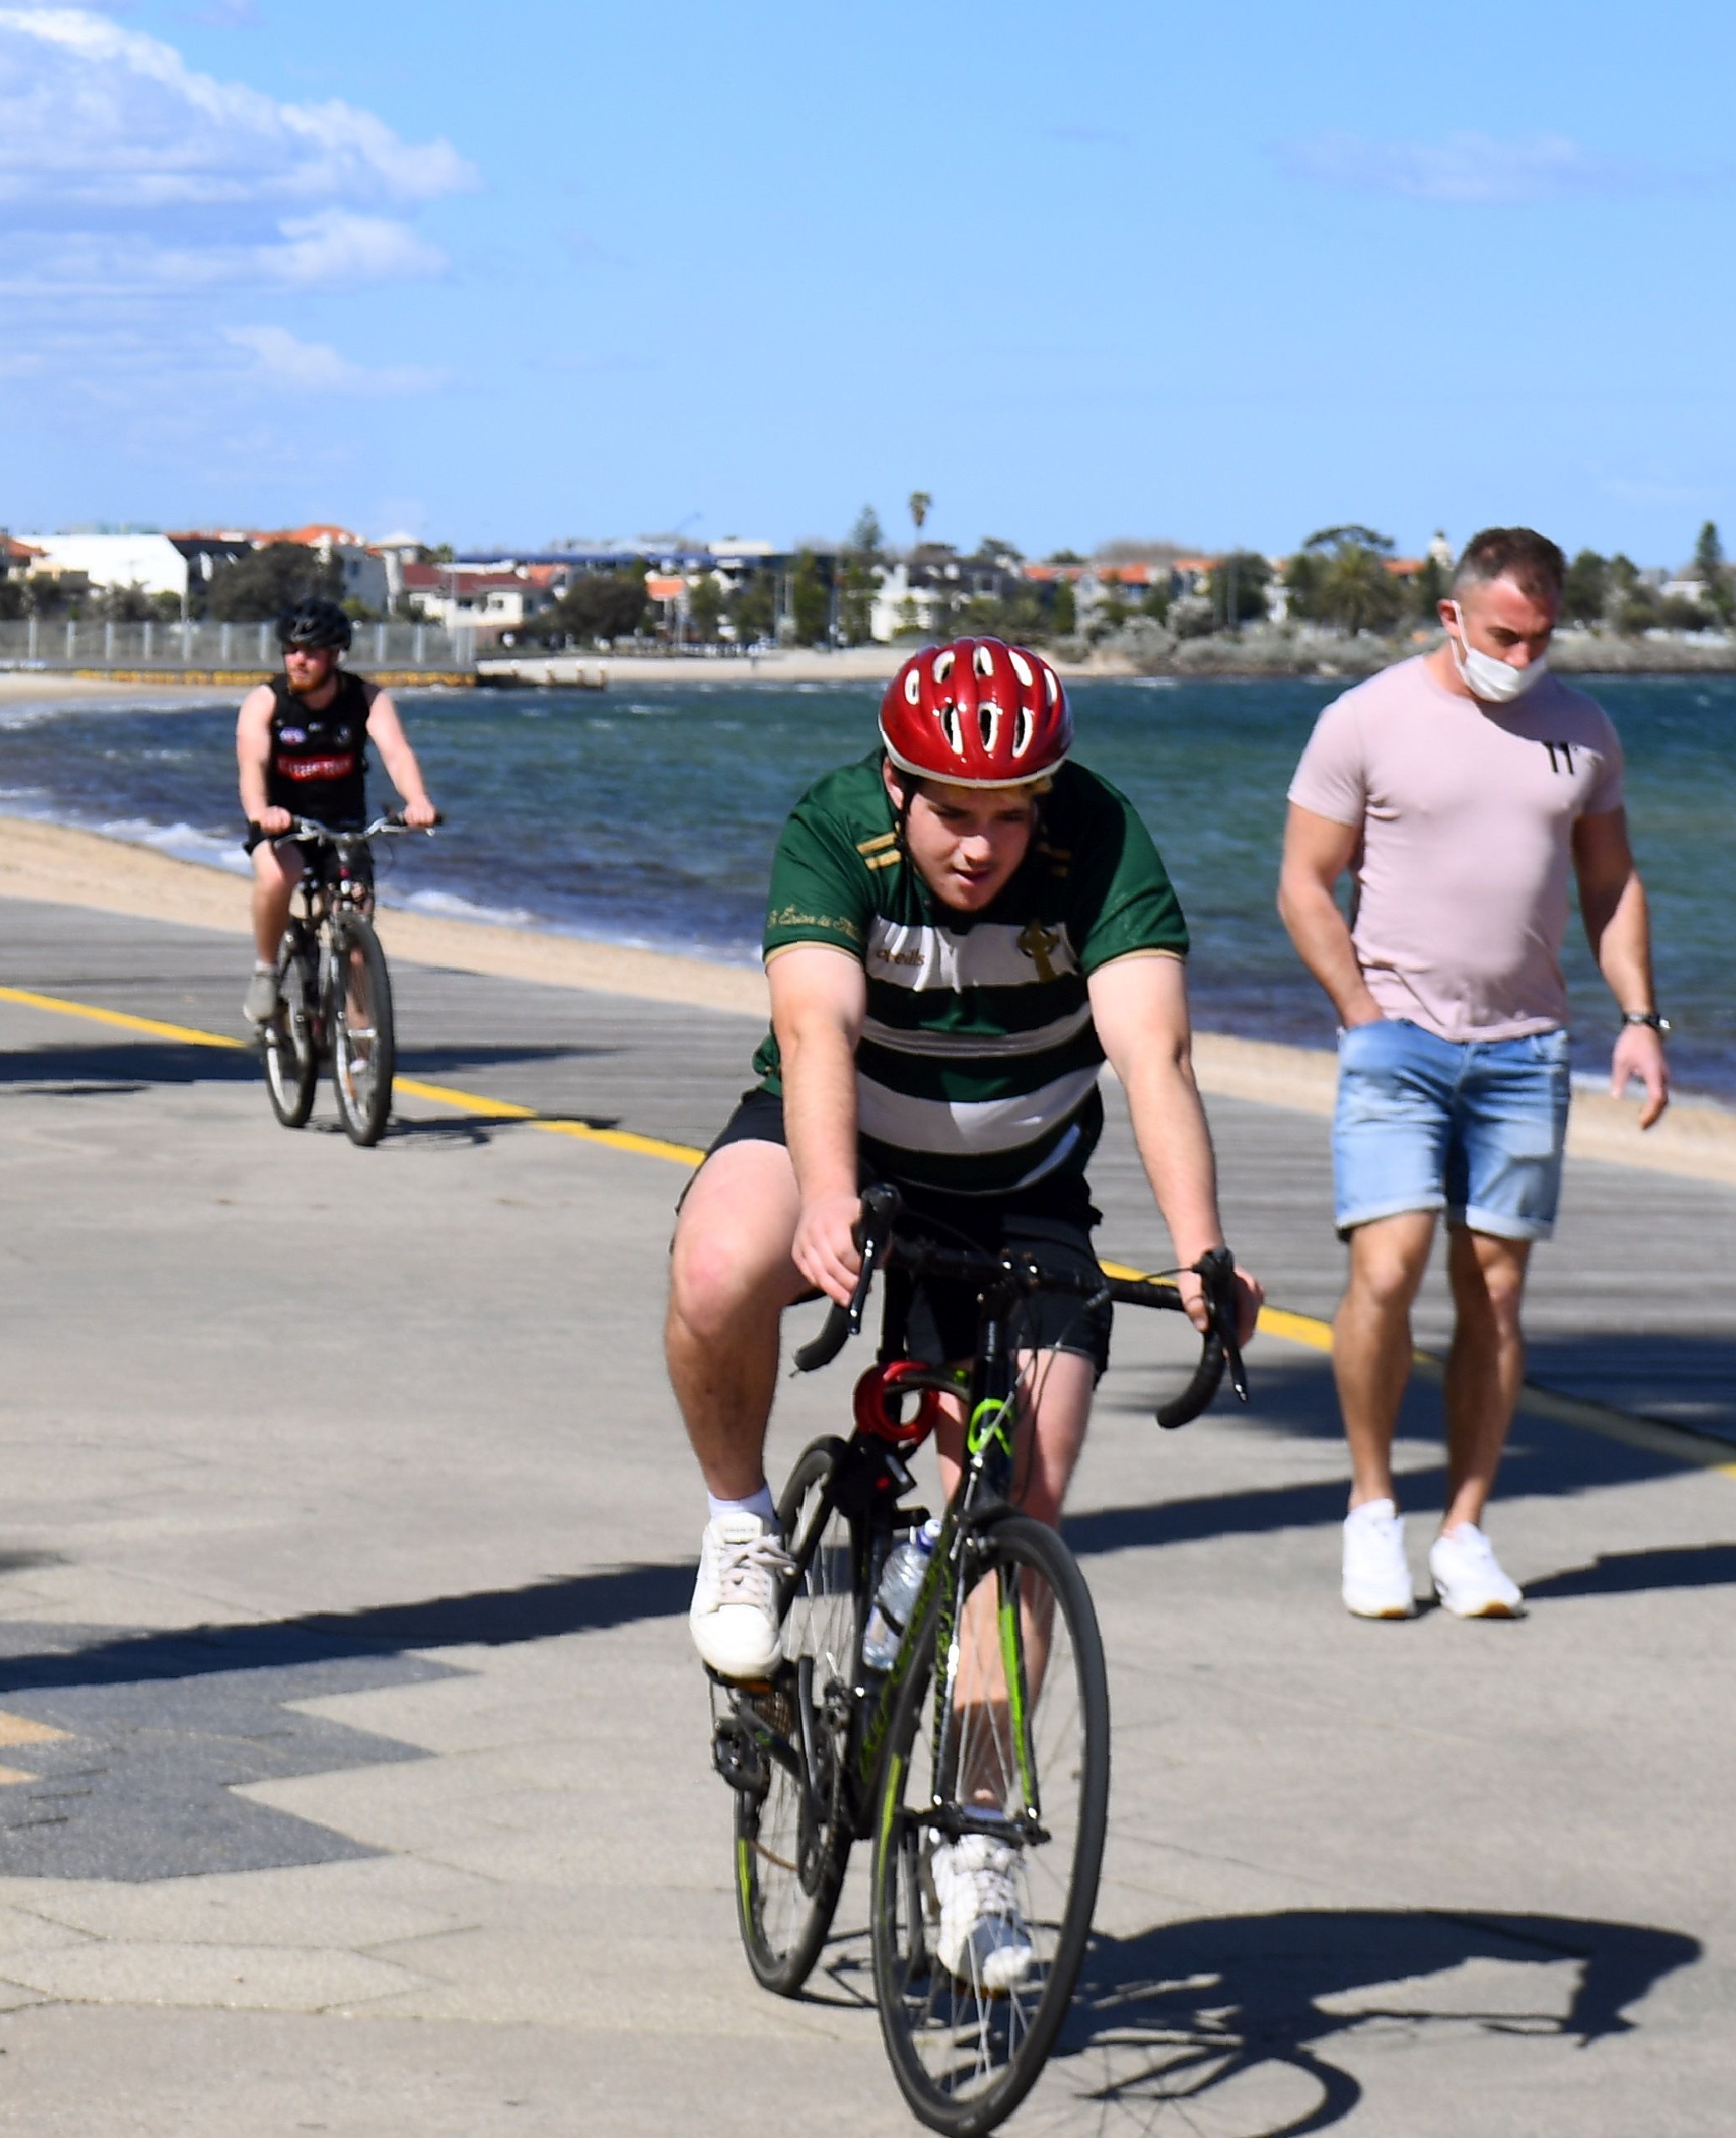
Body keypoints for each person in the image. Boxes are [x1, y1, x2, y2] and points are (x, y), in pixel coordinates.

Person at [664, 638, 1263, 1984]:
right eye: (952, 812)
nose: (982, 847)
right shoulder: (837, 829)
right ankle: (742, 1523)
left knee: (1022, 1493)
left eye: (1011, 813)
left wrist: (1203, 1250)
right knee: (717, 1266)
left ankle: (979, 1841)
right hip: (850, 1139)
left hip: (1022, 1184)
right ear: (896, 783)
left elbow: (1153, 1048)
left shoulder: (1100, 839)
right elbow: (816, 1029)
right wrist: (826, 1198)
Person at [1277, 527, 1666, 1624]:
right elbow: (1305, 883)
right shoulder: (1365, 719)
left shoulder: (1582, 731)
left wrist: (1638, 1018)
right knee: (1388, 1270)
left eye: (1542, 637)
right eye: (1505, 633)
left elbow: (1612, 883)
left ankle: (1464, 1532)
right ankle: (1369, 1511)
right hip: (1395, 1041)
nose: (1524, 654)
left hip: (1526, 1047)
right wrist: (1360, 1011)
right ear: (1452, 616)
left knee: (1494, 1289)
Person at [237, 600, 437, 1024]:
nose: (298, 660)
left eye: (310, 652)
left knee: (358, 941)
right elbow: (252, 764)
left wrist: (417, 802)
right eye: (291, 650)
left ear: (334, 655)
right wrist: (262, 813)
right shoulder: (266, 702)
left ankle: (363, 1059)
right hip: (284, 823)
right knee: (276, 875)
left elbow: (397, 753)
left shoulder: (366, 698)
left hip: (345, 827)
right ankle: (266, 971)